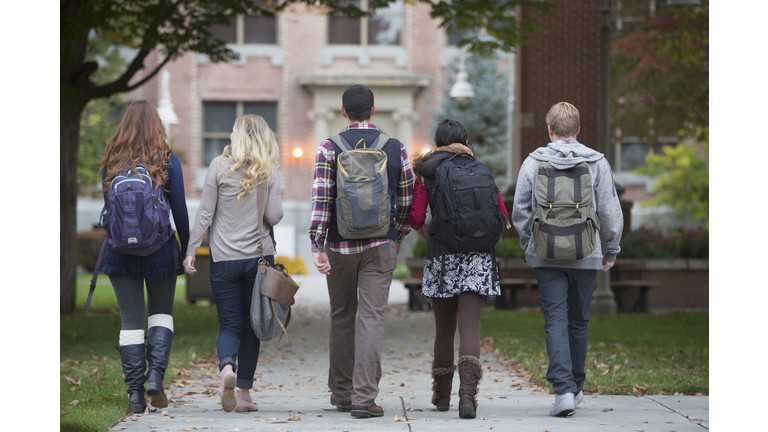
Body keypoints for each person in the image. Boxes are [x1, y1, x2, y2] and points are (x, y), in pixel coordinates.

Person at [511, 102, 623, 417]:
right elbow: (610, 212)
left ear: (550, 130)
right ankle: (575, 386)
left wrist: (530, 242)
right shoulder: (597, 162)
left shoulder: (533, 162)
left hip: (546, 255)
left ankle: (562, 393)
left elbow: (520, 209)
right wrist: (610, 250)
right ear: (577, 130)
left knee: (555, 321)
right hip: (587, 252)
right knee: (578, 321)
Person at [309, 84, 413, 419]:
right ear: (373, 110)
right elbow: (407, 198)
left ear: (343, 112)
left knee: (342, 317)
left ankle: (341, 393)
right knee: (371, 318)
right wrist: (396, 234)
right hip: (380, 245)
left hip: (339, 245)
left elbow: (321, 199)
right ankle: (363, 398)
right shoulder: (395, 148)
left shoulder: (329, 148)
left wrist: (317, 244)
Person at [409, 119, 509, 419]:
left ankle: (442, 397)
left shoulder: (428, 171)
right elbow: (501, 214)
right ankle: (468, 397)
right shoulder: (478, 169)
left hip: (443, 259)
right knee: (470, 328)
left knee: (444, 330)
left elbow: (414, 215)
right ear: (464, 140)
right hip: (478, 258)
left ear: (438, 142)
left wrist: (426, 230)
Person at [184, 115, 284, 413]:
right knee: (252, 327)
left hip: (223, 260)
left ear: (237, 136)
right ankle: (243, 395)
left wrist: (191, 251)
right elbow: (275, 216)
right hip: (258, 262)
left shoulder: (218, 165)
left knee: (229, 325)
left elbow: (204, 213)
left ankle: (227, 368)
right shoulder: (269, 170)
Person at [97, 100, 189, 413]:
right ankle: (155, 379)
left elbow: (109, 210)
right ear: (156, 126)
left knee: (131, 324)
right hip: (161, 250)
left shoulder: (112, 161)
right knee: (161, 315)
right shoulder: (166, 160)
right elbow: (180, 211)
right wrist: (187, 248)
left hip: (120, 254)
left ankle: (135, 396)